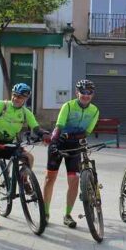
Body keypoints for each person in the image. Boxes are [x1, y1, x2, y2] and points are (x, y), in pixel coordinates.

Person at [0, 83, 49, 228]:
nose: (16, 98)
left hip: (9, 144)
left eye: (20, 97)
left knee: (29, 157)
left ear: (26, 98)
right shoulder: (2, 105)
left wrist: (44, 134)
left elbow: (35, 127)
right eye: (15, 95)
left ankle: (24, 179)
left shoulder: (25, 112)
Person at [44, 79, 100, 228]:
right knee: (50, 179)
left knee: (74, 181)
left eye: (89, 93)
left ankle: (67, 215)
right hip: (59, 143)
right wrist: (54, 142)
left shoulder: (94, 110)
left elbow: (86, 132)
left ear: (92, 95)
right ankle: (45, 213)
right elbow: (59, 126)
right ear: (77, 93)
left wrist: (71, 136)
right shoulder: (68, 106)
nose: (86, 95)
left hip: (74, 146)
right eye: (83, 92)